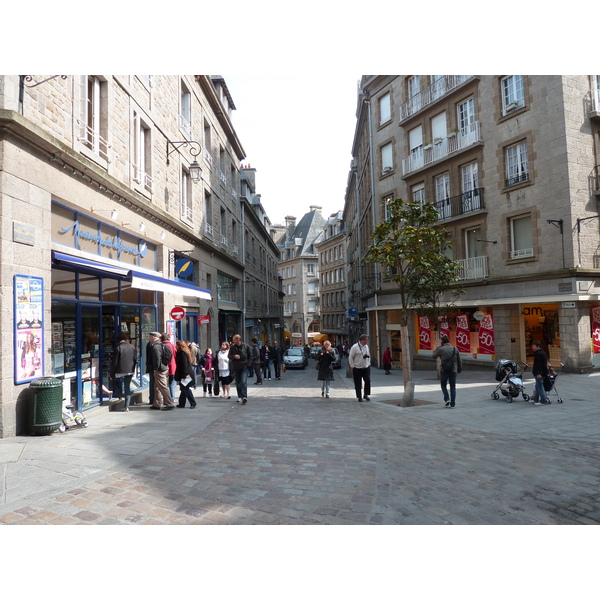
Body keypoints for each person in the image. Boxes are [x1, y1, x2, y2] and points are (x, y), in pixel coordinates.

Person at [147, 331, 175, 410]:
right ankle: (157, 404)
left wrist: (156, 369)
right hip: (162, 368)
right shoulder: (160, 345)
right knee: (157, 387)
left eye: (150, 336)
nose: (149, 338)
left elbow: (157, 358)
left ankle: (170, 403)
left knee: (163, 387)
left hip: (159, 370)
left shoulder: (156, 346)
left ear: (154, 337)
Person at [432, 335, 462, 408]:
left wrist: (437, 349)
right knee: (453, 387)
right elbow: (459, 360)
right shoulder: (455, 349)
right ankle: (453, 404)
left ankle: (446, 399)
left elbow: (433, 356)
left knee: (443, 385)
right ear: (449, 341)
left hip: (444, 370)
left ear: (442, 342)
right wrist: (459, 369)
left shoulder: (441, 349)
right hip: (453, 370)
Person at [110, 332, 137, 412]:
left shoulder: (118, 348)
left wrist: (112, 374)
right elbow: (135, 359)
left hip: (120, 370)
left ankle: (120, 395)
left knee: (115, 382)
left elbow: (114, 362)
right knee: (127, 387)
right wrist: (133, 369)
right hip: (129, 370)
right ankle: (126, 406)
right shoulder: (132, 347)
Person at [348, 334, 372, 402]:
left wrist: (369, 363)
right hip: (357, 368)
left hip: (366, 367)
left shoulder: (366, 346)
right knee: (358, 382)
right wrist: (352, 366)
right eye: (366, 339)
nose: (367, 340)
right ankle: (359, 396)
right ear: (362, 340)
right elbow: (351, 357)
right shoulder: (355, 347)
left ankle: (366, 394)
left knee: (367, 380)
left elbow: (368, 355)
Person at [228, 333, 251, 404]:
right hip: (236, 367)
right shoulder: (232, 347)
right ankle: (240, 396)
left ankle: (244, 397)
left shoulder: (246, 346)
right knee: (238, 382)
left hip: (244, 367)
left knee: (243, 381)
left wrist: (248, 364)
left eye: (234, 340)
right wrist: (234, 356)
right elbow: (229, 356)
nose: (232, 341)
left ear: (238, 340)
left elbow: (251, 356)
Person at [174, 340, 197, 408]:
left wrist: (184, 375)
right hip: (185, 373)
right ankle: (181, 403)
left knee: (186, 389)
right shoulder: (183, 352)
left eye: (176, 345)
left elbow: (184, 365)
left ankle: (193, 403)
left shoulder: (182, 353)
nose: (176, 346)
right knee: (183, 388)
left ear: (179, 346)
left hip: (185, 374)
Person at [531, 341, 549, 405]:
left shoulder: (539, 354)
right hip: (540, 372)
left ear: (538, 346)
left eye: (534, 346)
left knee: (540, 386)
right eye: (532, 346)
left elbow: (540, 365)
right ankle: (535, 399)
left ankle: (543, 401)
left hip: (539, 373)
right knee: (537, 386)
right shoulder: (541, 353)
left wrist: (539, 373)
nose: (532, 348)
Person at [161, 333, 177, 400]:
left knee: (164, 384)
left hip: (164, 366)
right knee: (172, 383)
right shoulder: (172, 345)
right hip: (172, 366)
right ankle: (172, 397)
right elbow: (175, 355)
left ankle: (166, 398)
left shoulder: (162, 346)